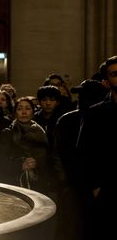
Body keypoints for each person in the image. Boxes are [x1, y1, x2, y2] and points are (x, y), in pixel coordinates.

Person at [53, 79, 108, 240]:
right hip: (73, 185)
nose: (80, 99)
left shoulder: (101, 120)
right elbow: (58, 154)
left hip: (93, 186)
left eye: (84, 96)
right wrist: (64, 182)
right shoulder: (67, 120)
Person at [76, 55, 117, 239]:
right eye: (115, 74)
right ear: (106, 81)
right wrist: (95, 186)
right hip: (108, 190)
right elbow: (84, 152)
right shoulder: (95, 113)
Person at [0, 97, 53, 196]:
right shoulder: (8, 133)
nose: (24, 112)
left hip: (39, 184)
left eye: (28, 108)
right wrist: (20, 164)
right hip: (14, 183)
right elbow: (0, 160)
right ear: (15, 113)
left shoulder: (41, 133)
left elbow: (48, 159)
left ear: (33, 112)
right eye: (20, 109)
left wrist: (36, 162)